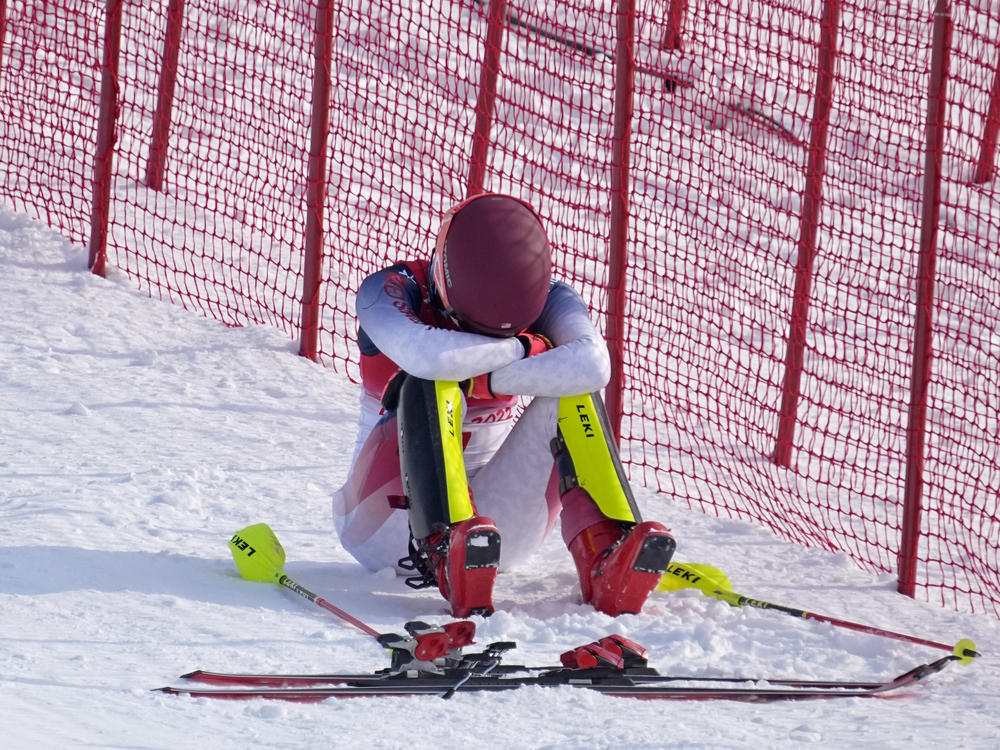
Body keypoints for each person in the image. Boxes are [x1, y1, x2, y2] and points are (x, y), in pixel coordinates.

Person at [333, 193, 675, 618]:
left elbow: (592, 364)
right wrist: (526, 349)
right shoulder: (388, 289)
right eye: (469, 327)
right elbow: (432, 358)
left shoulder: (553, 297)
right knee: (431, 381)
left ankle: (605, 552)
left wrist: (485, 370)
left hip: (493, 538)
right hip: (385, 526)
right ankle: (445, 547)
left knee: (573, 389)